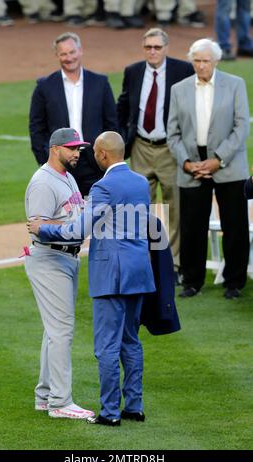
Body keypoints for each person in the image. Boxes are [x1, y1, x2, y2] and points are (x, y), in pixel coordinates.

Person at [27, 131, 156, 426]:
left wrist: (41, 229)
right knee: (131, 341)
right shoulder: (140, 182)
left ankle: (110, 413)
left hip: (111, 274)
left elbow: (77, 231)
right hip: (139, 272)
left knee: (107, 347)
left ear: (102, 154)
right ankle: (134, 407)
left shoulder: (103, 186)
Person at [167, 38, 250, 299]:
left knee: (234, 225)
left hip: (228, 164)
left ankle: (234, 282)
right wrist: (188, 163)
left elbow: (241, 128)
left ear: (216, 61)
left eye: (206, 61)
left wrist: (218, 159)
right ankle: (192, 281)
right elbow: (173, 133)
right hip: (192, 164)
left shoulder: (235, 85)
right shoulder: (179, 89)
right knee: (192, 226)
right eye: (197, 61)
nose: (201, 66)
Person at [25, 127, 95, 419]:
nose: (77, 153)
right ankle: (60, 402)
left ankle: (45, 395)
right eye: (72, 149)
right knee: (61, 331)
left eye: (79, 148)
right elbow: (38, 228)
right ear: (55, 149)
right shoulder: (43, 182)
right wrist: (74, 230)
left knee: (53, 331)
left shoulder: (66, 177)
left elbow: (72, 214)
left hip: (65, 260)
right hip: (49, 260)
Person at [117, 27, 194, 278]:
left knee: (175, 207)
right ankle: (145, 262)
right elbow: (124, 105)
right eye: (148, 47)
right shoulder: (133, 71)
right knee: (139, 207)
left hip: (169, 148)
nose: (152, 51)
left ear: (166, 48)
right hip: (140, 146)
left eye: (157, 47)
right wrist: (121, 139)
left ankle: (173, 265)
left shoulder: (183, 70)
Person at [29, 31, 118, 197]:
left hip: (94, 160)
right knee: (63, 213)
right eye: (63, 54)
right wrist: (45, 159)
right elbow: (36, 127)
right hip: (61, 161)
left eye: (72, 52)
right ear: (57, 55)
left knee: (97, 212)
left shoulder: (100, 82)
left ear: (80, 51)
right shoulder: (44, 86)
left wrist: (108, 156)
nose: (68, 58)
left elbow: (111, 123)